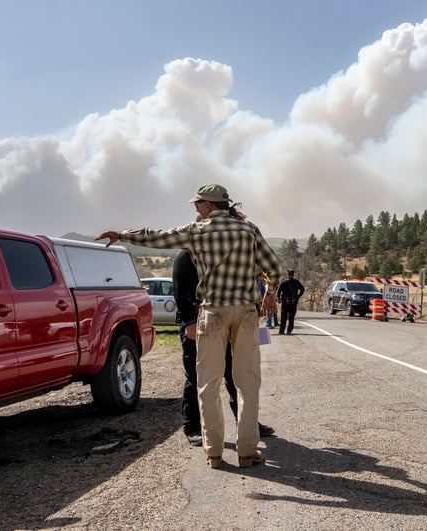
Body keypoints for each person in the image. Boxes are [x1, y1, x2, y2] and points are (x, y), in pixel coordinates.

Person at [97, 183, 281, 470]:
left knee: (208, 383)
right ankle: (246, 451)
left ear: (207, 207)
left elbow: (156, 237)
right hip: (245, 312)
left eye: (198, 205)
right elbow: (275, 268)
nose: (196, 209)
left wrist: (122, 234)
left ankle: (214, 452)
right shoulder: (249, 230)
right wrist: (270, 294)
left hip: (212, 312)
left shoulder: (197, 231)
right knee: (247, 383)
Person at [173, 250, 274, 447]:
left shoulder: (219, 252)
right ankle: (193, 427)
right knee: (198, 377)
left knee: (235, 375)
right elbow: (179, 291)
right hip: (197, 324)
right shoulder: (186, 257)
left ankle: (247, 424)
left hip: (224, 323)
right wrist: (188, 322)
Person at [275, 269, 305, 335]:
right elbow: (302, 289)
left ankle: (281, 331)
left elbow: (279, 292)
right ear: (293, 275)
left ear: (288, 275)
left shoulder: (283, 283)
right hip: (293, 302)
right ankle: (289, 330)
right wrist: (298, 296)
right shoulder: (296, 282)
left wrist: (279, 298)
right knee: (291, 317)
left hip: (285, 301)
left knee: (284, 317)